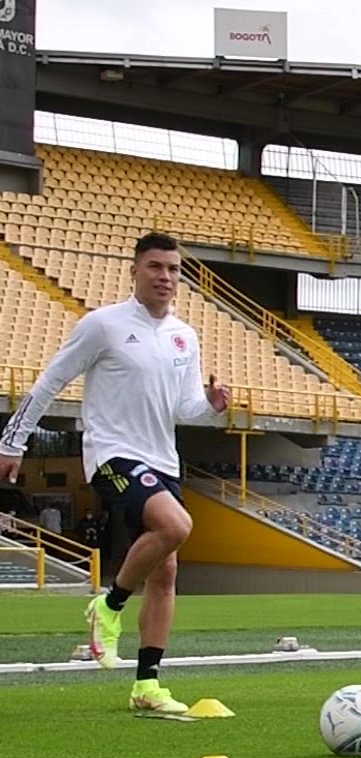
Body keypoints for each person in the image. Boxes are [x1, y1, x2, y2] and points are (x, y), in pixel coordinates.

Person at [0, 232, 230, 717]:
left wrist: (211, 406)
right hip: (112, 455)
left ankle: (147, 685)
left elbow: (184, 406)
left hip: (162, 459)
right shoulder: (102, 325)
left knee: (166, 570)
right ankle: (109, 603)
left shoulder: (184, 336)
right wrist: (12, 442)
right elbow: (51, 381)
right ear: (134, 270)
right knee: (176, 526)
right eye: (155, 267)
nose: (165, 277)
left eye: (172, 269)